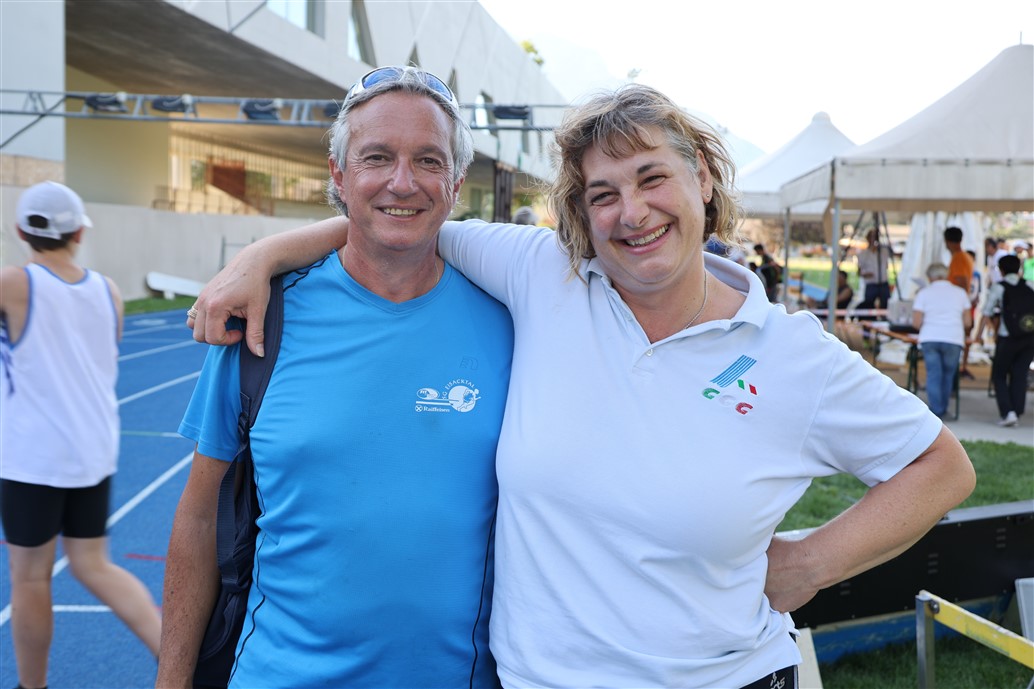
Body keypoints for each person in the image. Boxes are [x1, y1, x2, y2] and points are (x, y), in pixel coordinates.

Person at [188, 84, 975, 688]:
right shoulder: (545, 275)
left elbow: (943, 466)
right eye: (603, 194)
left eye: (651, 178)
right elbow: (398, 218)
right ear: (581, 213)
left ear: (703, 178)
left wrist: (810, 562)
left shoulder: (792, 353)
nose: (632, 213)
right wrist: (263, 257)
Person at [156, 67, 513, 688]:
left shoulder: (511, 324)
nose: (402, 182)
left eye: (428, 160)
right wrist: (171, 681)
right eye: (377, 157)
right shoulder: (263, 320)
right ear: (339, 175)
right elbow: (199, 518)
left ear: (456, 183)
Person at [1, 181, 162, 689]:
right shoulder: (107, 290)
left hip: (34, 458)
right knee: (93, 565)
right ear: (79, 233)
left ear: (20, 231)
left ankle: (32, 686)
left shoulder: (14, 283)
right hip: (92, 450)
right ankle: (178, 659)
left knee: (30, 577)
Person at [976, 254, 1034, 427]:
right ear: (1019, 269)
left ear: (1001, 270)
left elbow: (986, 312)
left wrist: (978, 335)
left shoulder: (999, 287)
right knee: (1020, 374)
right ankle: (1016, 411)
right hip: (1029, 337)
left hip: (1008, 337)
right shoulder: (1030, 285)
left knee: (999, 375)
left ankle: (1007, 412)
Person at [911, 263, 972, 418]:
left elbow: (916, 322)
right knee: (948, 375)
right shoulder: (960, 293)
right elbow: (967, 322)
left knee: (933, 374)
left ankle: (936, 411)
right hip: (953, 337)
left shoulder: (924, 293)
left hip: (930, 337)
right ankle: (943, 409)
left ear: (930, 277)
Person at [855, 228, 892, 309]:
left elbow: (888, 261)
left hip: (883, 283)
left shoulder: (883, 251)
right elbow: (859, 271)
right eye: (871, 237)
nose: (873, 240)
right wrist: (865, 274)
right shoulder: (863, 254)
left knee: (886, 304)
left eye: (875, 237)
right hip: (871, 284)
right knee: (868, 304)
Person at [943, 226, 974, 293]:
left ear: (946, 241)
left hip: (956, 297)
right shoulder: (965, 256)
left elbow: (962, 285)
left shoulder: (959, 258)